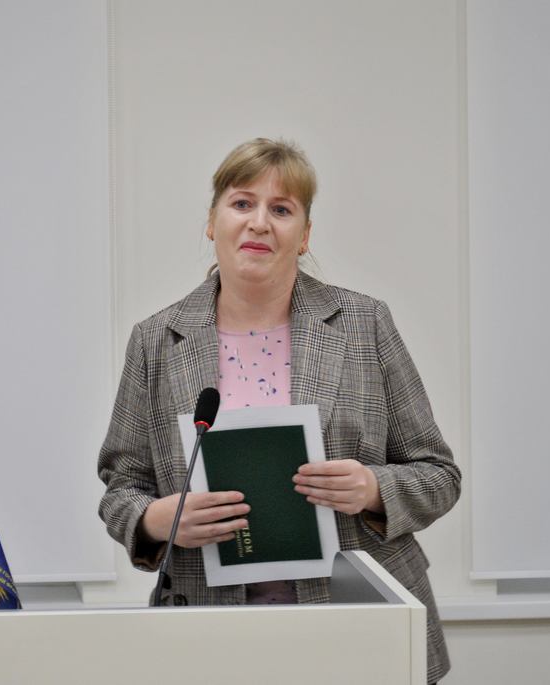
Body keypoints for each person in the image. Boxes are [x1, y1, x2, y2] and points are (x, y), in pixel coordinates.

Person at [98, 137, 460, 683]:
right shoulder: (156, 341)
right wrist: (155, 520)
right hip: (208, 631)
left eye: (282, 209)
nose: (259, 223)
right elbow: (121, 489)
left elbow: (439, 475)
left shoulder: (364, 324)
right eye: (242, 203)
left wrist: (373, 489)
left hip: (358, 625)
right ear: (212, 221)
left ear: (305, 234)